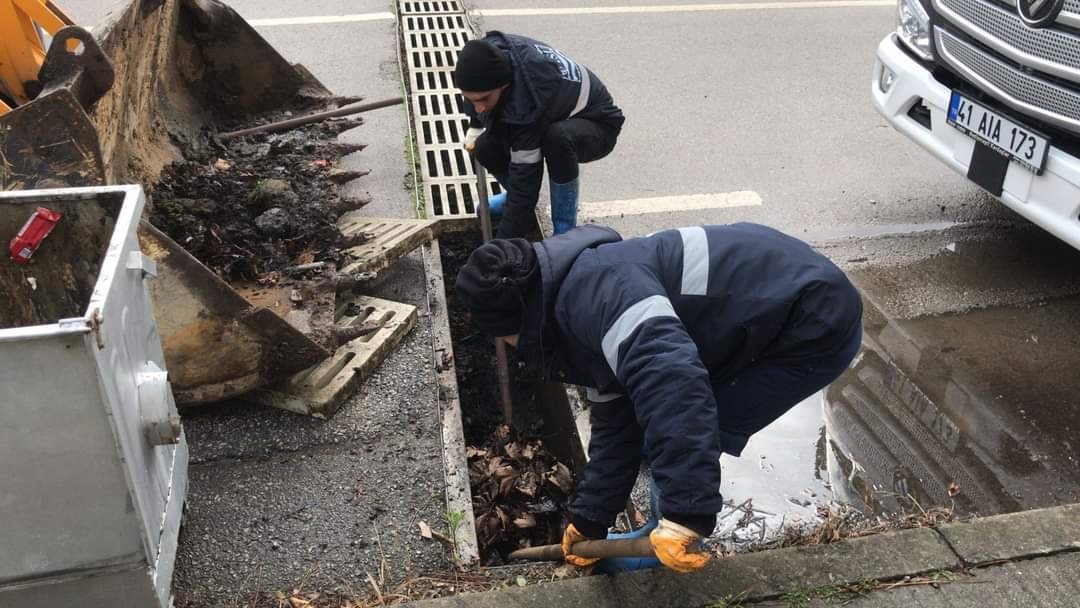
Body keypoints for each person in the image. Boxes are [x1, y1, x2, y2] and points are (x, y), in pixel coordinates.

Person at [454, 223, 863, 573]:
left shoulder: (601, 295)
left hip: (811, 320)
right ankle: (663, 518)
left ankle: (666, 537)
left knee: (703, 417)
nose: (504, 346)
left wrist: (687, 512)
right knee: (658, 421)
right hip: (752, 304)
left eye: (500, 337)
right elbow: (617, 422)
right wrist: (590, 519)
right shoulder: (570, 306)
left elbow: (674, 383)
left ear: (512, 323)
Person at [453, 32, 625, 238]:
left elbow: (527, 181)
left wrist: (501, 248)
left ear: (504, 85)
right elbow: (476, 95)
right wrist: (475, 125)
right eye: (470, 100)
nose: (478, 108)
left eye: (484, 99)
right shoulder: (487, 59)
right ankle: (512, 199)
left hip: (598, 125)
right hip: (549, 111)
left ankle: (564, 231)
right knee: (485, 147)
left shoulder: (528, 105)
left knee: (556, 138)